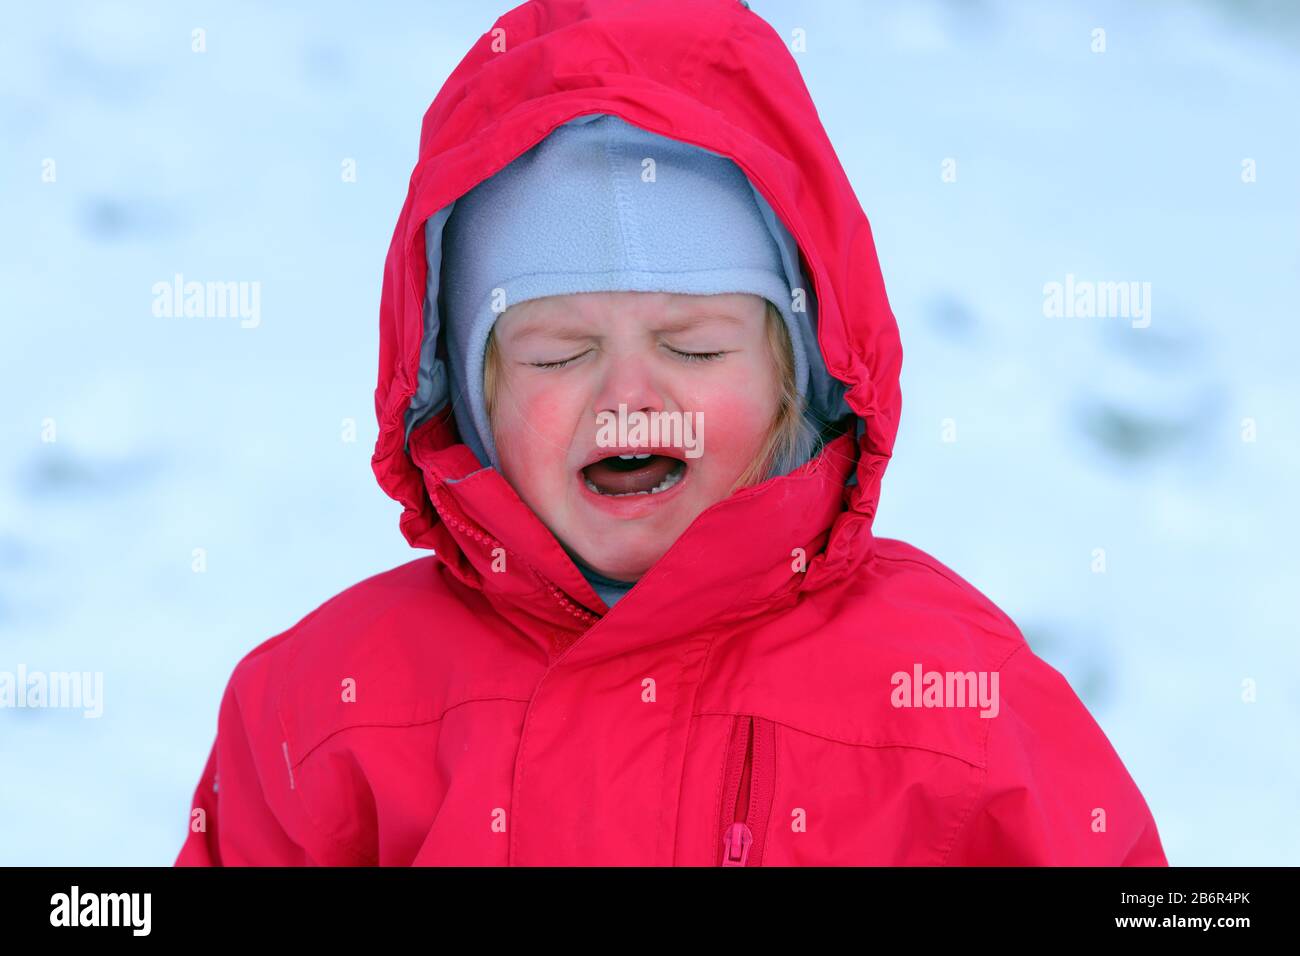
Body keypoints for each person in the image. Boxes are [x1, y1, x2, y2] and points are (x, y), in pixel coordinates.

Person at [175, 0, 1167, 866]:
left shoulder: (954, 701)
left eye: (693, 347)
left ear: (797, 372)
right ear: (468, 398)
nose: (629, 395)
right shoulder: (321, 708)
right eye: (557, 353)